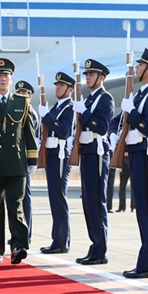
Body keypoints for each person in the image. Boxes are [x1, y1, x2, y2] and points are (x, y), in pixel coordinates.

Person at [117, 48, 148, 278]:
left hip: (147, 156)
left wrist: (133, 113)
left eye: (140, 65)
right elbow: (123, 120)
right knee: (142, 211)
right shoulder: (140, 94)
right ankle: (144, 262)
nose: (136, 68)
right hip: (135, 155)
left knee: (147, 210)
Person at [0, 58, 37, 265]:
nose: (3, 78)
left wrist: (32, 160)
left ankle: (18, 246)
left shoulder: (21, 102)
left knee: (15, 206)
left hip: (17, 164)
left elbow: (29, 134)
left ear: (11, 78)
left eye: (6, 75)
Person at [72, 58, 114, 266]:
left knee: (96, 202)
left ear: (101, 77)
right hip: (87, 153)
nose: (88, 77)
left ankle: (100, 249)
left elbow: (102, 127)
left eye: (91, 74)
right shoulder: (89, 100)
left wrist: (84, 113)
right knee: (88, 202)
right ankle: (95, 246)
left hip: (97, 154)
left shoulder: (105, 99)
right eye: (86, 74)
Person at [38, 72, 75, 254]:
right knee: (54, 198)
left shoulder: (69, 107)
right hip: (52, 155)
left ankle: (62, 241)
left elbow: (64, 131)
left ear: (70, 89)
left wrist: (47, 118)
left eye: (62, 85)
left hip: (61, 156)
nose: (58, 88)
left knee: (59, 199)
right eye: (57, 85)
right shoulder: (56, 107)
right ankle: (57, 238)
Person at [14, 80, 40, 242]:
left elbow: (33, 139)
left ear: (30, 96)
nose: (22, 96)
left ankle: (27, 232)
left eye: (24, 94)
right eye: (19, 93)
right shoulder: (15, 111)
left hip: (24, 160)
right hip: (13, 159)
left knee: (25, 198)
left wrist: (32, 160)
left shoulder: (31, 113)